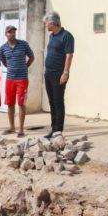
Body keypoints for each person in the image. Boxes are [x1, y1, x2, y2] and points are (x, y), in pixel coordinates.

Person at [43, 11, 74, 139]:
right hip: (48, 72)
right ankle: (53, 129)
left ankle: (58, 130)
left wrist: (65, 72)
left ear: (52, 23)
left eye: (46, 23)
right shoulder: (52, 36)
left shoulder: (67, 36)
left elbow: (69, 55)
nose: (45, 25)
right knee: (51, 102)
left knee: (58, 101)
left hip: (59, 74)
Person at [0, 25, 34, 137]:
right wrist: (11, 68)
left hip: (22, 79)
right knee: (10, 104)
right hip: (10, 79)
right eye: (10, 32)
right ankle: (12, 127)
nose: (12, 34)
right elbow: (4, 61)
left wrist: (25, 66)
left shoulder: (23, 44)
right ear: (6, 34)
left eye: (13, 32)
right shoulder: (3, 48)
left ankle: (21, 129)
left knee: (21, 104)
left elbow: (32, 57)